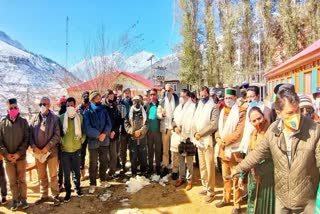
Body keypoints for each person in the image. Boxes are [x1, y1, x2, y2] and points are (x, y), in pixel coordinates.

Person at [232, 88, 320, 213]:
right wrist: (239, 168)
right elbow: (258, 153)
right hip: (282, 200)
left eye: (297, 111)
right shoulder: (273, 130)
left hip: (306, 202)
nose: (296, 117)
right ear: (279, 113)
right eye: (290, 113)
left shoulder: (314, 130)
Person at [215, 87, 246, 214]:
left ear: (235, 98)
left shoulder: (241, 112)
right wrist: (217, 138)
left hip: (235, 151)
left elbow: (239, 132)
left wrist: (224, 141)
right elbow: (218, 128)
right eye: (226, 98)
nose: (228, 100)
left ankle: (237, 204)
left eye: (230, 98)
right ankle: (226, 198)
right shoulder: (222, 111)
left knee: (235, 178)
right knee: (225, 177)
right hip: (223, 150)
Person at [238, 107, 275, 214]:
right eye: (254, 121)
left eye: (259, 118)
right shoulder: (253, 134)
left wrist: (259, 170)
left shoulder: (272, 134)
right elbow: (249, 157)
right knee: (252, 204)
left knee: (265, 208)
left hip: (267, 180)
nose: (257, 122)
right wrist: (242, 176)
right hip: (253, 178)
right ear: (250, 122)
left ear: (263, 116)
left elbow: (276, 159)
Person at [30, 96, 61, 206]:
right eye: (41, 104)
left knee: (53, 175)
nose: (43, 106)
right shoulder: (34, 119)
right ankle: (44, 195)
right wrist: (34, 147)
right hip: (38, 154)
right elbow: (30, 135)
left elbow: (57, 135)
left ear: (49, 105)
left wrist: (47, 147)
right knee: (41, 175)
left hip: (51, 152)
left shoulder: (55, 118)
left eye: (45, 104)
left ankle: (55, 195)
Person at [0, 98, 29, 210]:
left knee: (22, 180)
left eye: (15, 107)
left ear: (18, 108)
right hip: (8, 159)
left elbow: (26, 139)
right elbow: (0, 142)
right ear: (7, 109)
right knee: (12, 181)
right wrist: (7, 155)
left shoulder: (23, 122)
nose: (13, 109)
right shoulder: (2, 123)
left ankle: (24, 199)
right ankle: (15, 200)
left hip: (20, 157)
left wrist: (18, 153)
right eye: (11, 108)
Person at [192, 86, 219, 203]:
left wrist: (201, 133)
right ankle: (205, 185)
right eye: (201, 96)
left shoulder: (214, 106)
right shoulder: (199, 105)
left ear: (208, 94)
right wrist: (195, 133)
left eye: (205, 95)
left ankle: (211, 191)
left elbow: (214, 125)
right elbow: (195, 120)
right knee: (202, 165)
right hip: (199, 140)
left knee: (209, 166)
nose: (203, 97)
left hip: (207, 140)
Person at [83, 90, 112, 194]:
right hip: (93, 141)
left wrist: (104, 133)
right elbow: (86, 127)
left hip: (104, 140)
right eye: (97, 97)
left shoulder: (104, 109)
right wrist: (97, 134)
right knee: (93, 163)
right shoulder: (87, 111)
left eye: (100, 97)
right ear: (92, 99)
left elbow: (109, 123)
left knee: (104, 161)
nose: (99, 99)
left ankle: (103, 180)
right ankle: (92, 183)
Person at [60, 97, 85, 202]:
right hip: (65, 151)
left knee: (76, 171)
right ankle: (68, 191)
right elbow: (58, 133)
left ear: (75, 106)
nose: (70, 107)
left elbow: (84, 132)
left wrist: (81, 140)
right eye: (68, 105)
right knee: (66, 172)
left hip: (76, 149)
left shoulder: (80, 117)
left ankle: (77, 187)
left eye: (71, 105)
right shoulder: (61, 118)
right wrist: (62, 142)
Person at [172, 89, 196, 190]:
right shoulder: (178, 107)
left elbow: (195, 121)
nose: (182, 98)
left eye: (184, 96)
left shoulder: (193, 107)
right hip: (179, 136)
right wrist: (175, 128)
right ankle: (181, 178)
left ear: (188, 97)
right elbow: (173, 120)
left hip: (189, 136)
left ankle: (189, 180)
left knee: (189, 160)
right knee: (181, 159)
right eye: (181, 96)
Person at [239, 86, 272, 154]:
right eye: (247, 97)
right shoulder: (249, 108)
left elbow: (264, 132)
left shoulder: (265, 110)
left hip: (259, 146)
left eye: (252, 96)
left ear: (258, 96)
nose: (249, 100)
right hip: (249, 144)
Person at [157, 83, 179, 178]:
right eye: (166, 90)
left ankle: (175, 169)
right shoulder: (161, 101)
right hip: (165, 128)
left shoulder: (177, 100)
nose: (167, 92)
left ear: (172, 90)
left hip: (174, 129)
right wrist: (161, 115)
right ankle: (165, 167)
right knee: (165, 150)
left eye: (169, 90)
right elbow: (158, 113)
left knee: (174, 150)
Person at [124, 96, 149, 176]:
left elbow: (147, 123)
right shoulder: (129, 112)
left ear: (141, 101)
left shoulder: (144, 111)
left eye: (138, 101)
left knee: (143, 156)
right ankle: (134, 172)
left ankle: (143, 172)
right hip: (133, 138)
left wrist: (141, 131)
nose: (136, 102)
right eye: (135, 101)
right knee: (133, 156)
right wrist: (132, 131)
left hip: (142, 138)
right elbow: (126, 123)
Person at [104, 90, 121, 177]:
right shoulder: (102, 107)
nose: (111, 98)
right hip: (104, 135)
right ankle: (104, 171)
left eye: (112, 97)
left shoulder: (115, 106)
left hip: (114, 135)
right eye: (109, 97)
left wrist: (114, 131)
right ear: (106, 97)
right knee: (105, 155)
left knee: (113, 154)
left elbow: (118, 121)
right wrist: (106, 132)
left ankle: (112, 170)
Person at [145, 88, 162, 175]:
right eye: (151, 95)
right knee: (150, 150)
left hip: (158, 132)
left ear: (156, 95)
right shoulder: (147, 105)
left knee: (158, 150)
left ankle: (158, 167)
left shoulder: (160, 104)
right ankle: (150, 167)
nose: (152, 96)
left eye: (154, 94)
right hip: (149, 132)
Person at [77, 91, 90, 181]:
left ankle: (93, 171)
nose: (86, 98)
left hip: (91, 134)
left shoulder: (92, 107)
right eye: (84, 97)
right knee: (82, 154)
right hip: (82, 135)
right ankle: (82, 173)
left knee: (93, 153)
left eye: (87, 97)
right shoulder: (78, 109)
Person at [119, 88, 133, 172]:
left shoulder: (133, 102)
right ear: (123, 94)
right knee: (122, 150)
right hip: (123, 130)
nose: (127, 94)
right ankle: (123, 165)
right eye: (126, 93)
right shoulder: (120, 103)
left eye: (128, 93)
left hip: (131, 130)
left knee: (132, 149)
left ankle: (132, 164)